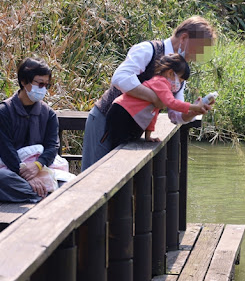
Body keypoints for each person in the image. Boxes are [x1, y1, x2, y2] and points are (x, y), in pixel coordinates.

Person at [81, 15, 218, 170]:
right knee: (93, 178)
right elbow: (120, 77)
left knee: (116, 184)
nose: (198, 55)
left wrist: (193, 110)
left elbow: (175, 115)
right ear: (184, 38)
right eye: (199, 49)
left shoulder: (180, 69)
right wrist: (156, 98)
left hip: (130, 130)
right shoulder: (148, 49)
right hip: (104, 120)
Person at [0, 57, 60, 203]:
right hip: (10, 169)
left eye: (46, 85)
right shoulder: (4, 111)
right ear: (24, 82)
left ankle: (34, 195)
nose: (43, 89)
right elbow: (5, 148)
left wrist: (37, 165)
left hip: (40, 168)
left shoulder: (49, 114)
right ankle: (43, 198)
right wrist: (26, 175)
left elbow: (52, 147)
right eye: (40, 83)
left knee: (68, 182)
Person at [102, 54, 206, 149]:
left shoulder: (162, 84)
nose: (179, 84)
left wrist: (148, 136)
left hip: (123, 113)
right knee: (118, 147)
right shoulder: (161, 82)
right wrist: (194, 107)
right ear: (170, 73)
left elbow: (153, 113)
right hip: (121, 113)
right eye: (180, 80)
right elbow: (172, 103)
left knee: (121, 145)